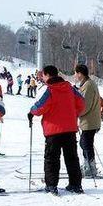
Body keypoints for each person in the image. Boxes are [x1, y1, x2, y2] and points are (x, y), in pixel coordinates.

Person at [28, 65, 85, 195]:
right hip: (70, 128)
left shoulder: (50, 89)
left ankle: (51, 185)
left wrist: (32, 111)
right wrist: (73, 114)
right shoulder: (70, 88)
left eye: (43, 75)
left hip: (53, 130)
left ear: (47, 75)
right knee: (72, 157)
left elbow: (40, 107)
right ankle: (75, 184)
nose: (42, 77)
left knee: (52, 158)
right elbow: (81, 102)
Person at [74, 64, 101, 178]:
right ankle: (88, 165)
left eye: (75, 73)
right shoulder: (86, 84)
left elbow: (85, 105)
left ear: (80, 73)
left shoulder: (88, 85)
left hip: (90, 120)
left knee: (86, 144)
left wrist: (76, 114)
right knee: (84, 143)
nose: (75, 75)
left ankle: (90, 168)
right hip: (88, 120)